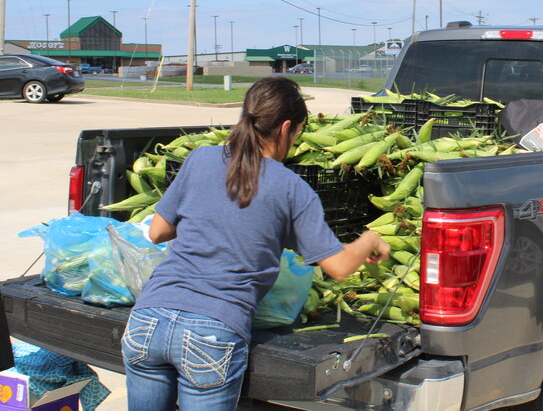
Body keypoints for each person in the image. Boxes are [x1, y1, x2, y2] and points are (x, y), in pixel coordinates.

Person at [121, 77, 390, 411]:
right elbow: (339, 266)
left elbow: (157, 232)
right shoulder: (292, 188)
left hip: (149, 319)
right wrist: (368, 240)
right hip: (212, 331)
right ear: (286, 128)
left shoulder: (200, 159)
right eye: (298, 133)